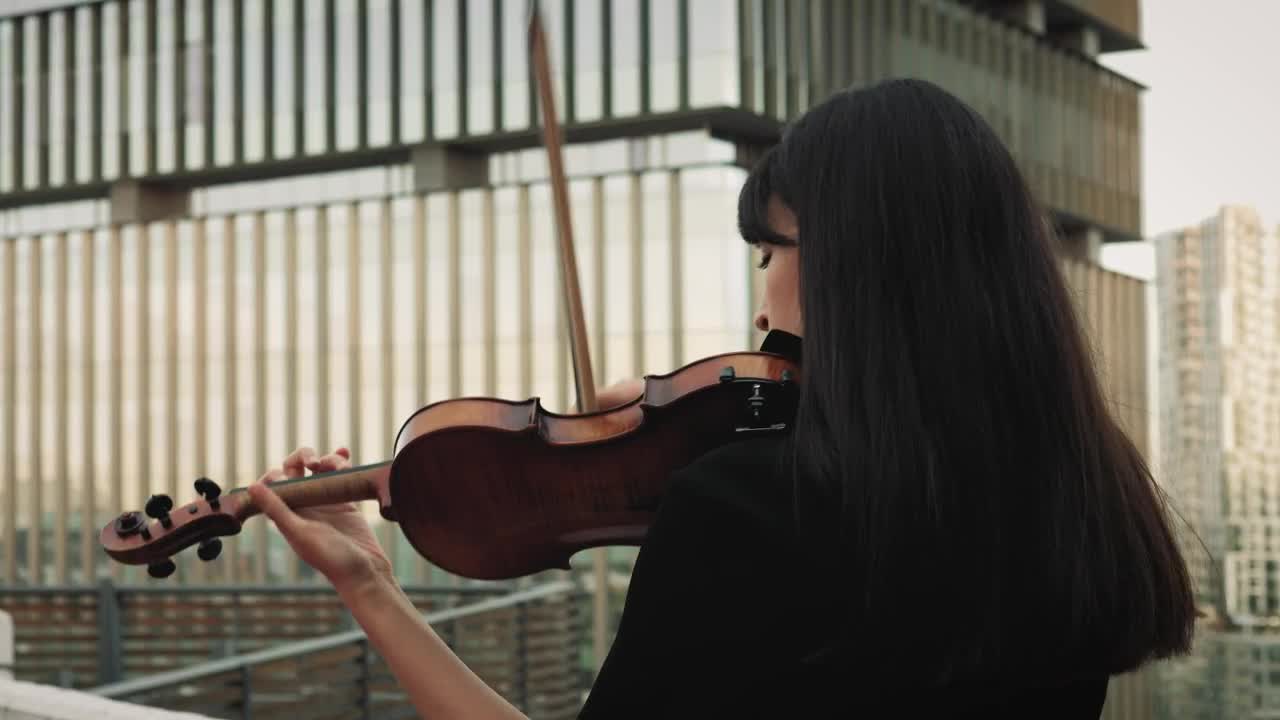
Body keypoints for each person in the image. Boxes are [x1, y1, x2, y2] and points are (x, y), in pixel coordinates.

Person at [247, 78, 1197, 718]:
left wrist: (368, 587)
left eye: (769, 250)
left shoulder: (747, 508)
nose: (760, 293)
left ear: (853, 264)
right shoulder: (1080, 492)